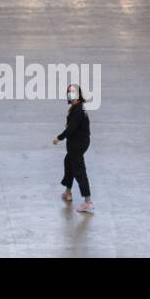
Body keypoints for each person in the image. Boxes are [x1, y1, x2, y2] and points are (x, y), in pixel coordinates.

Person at [53, 84, 93, 213]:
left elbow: (70, 129)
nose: (70, 95)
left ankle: (88, 201)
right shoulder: (77, 107)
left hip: (77, 145)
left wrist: (59, 138)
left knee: (79, 171)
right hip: (79, 143)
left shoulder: (77, 110)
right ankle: (68, 192)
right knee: (68, 162)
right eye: (69, 93)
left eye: (73, 93)